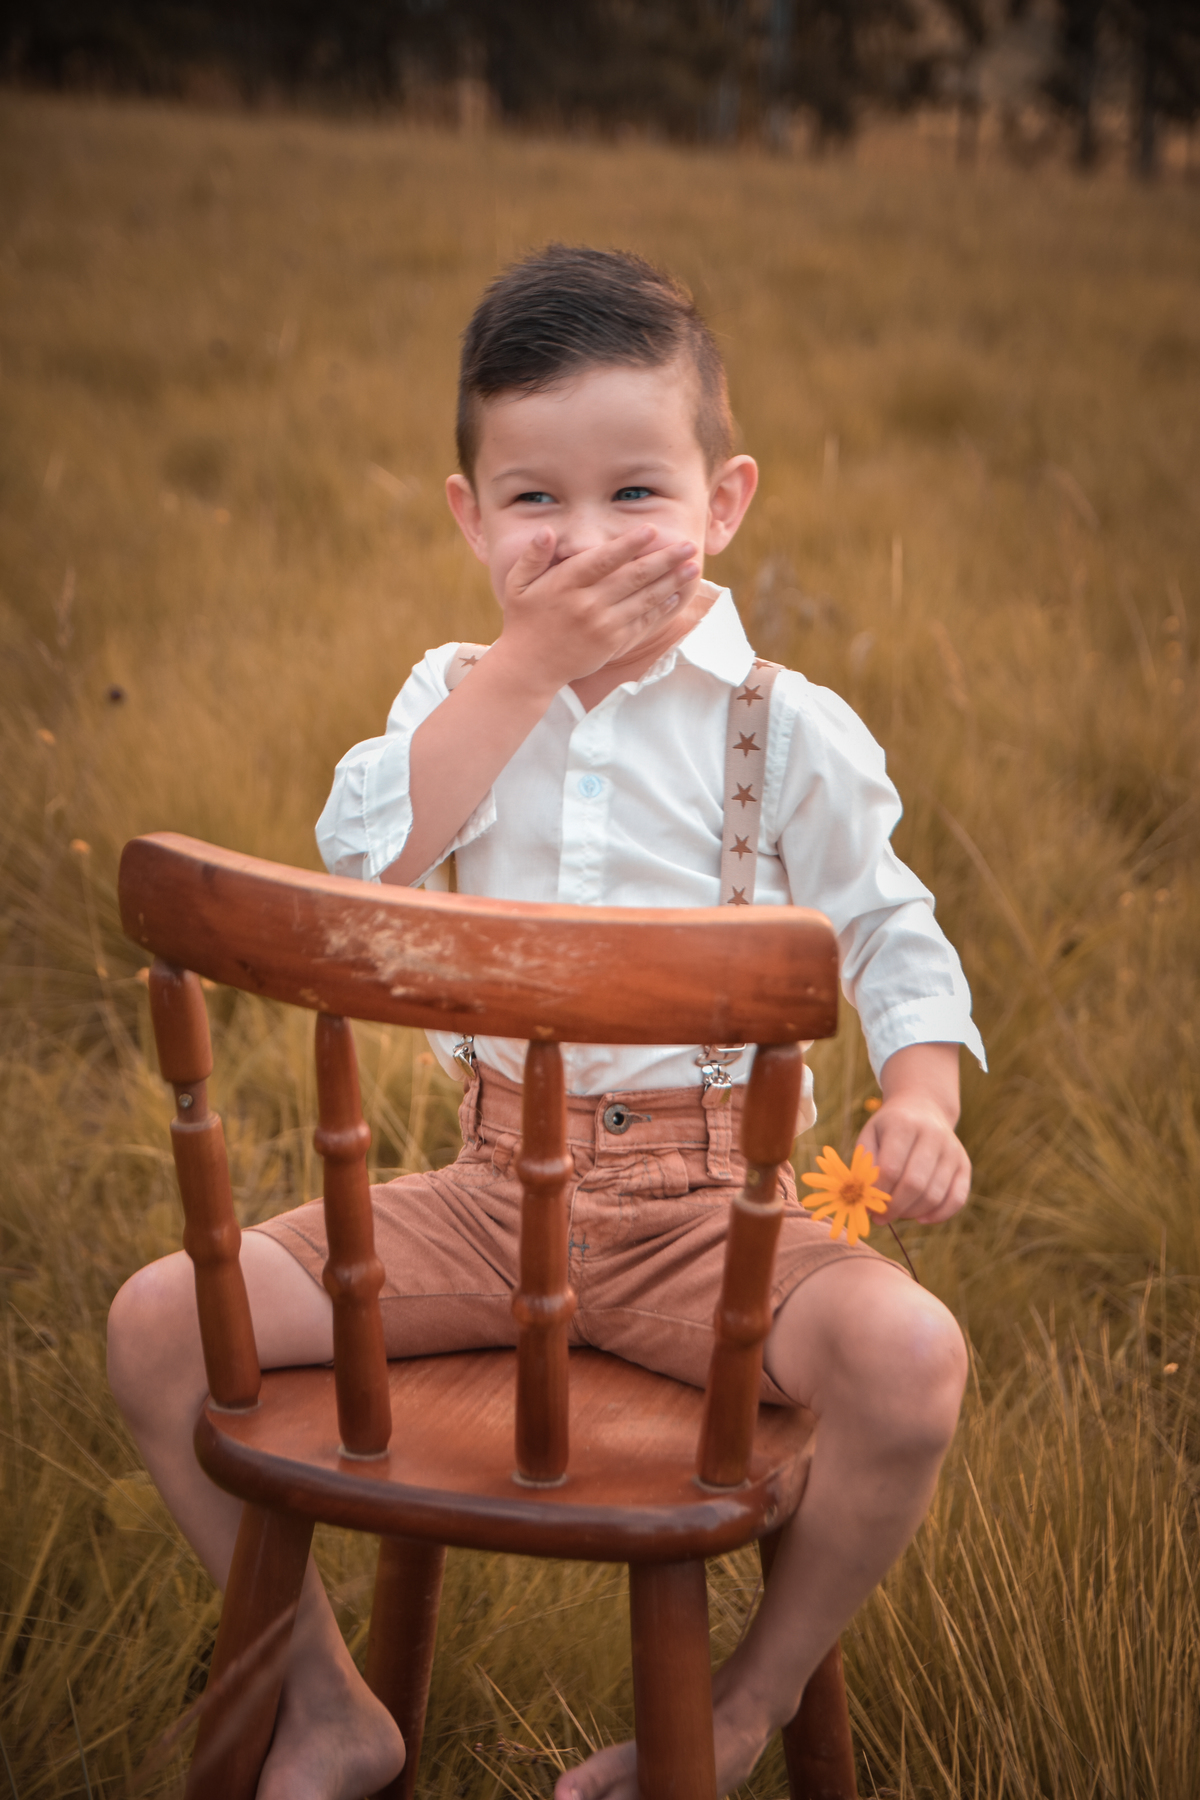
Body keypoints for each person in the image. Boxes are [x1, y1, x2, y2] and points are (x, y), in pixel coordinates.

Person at [108, 244, 985, 1800]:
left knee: (913, 1359)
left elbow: (891, 928)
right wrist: (521, 673)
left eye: (635, 493)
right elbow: (362, 869)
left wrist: (921, 1094)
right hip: (479, 1202)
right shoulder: (453, 698)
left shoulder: (782, 729)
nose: (583, 540)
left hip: (707, 1222)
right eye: (536, 501)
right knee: (158, 1325)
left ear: (723, 503)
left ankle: (742, 1704)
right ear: (471, 518)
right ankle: (323, 1703)